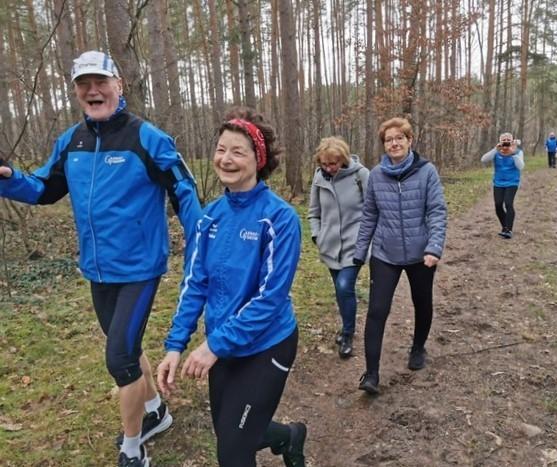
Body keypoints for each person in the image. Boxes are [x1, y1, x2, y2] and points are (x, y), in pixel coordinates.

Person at [0, 51, 201, 466]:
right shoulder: (71, 141)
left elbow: (184, 191)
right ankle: (154, 412)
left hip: (140, 268)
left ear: (118, 85)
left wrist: (202, 247)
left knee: (120, 359)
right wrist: (9, 179)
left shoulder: (147, 138)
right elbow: (44, 189)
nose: (93, 91)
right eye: (83, 84)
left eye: (100, 82)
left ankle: (133, 447)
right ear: (76, 91)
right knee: (125, 344)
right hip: (97, 268)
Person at [157, 107, 307, 467]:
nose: (226, 159)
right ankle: (289, 437)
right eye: (221, 149)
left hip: (267, 344)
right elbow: (195, 284)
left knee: (233, 453)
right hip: (224, 346)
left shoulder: (280, 218)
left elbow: (270, 299)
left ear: (258, 160)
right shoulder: (210, 217)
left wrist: (212, 346)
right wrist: (175, 345)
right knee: (233, 434)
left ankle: (281, 437)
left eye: (238, 152)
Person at [353, 117, 447, 395]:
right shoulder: (376, 175)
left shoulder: (427, 171)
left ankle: (418, 348)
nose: (394, 143)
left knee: (422, 303)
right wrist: (360, 252)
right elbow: (369, 215)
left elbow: (437, 211)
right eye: (388, 140)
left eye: (399, 138)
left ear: (409, 141)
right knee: (377, 310)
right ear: (384, 145)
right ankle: (371, 374)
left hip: (421, 254)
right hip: (385, 253)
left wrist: (434, 247)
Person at [308, 137, 369, 359]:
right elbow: (313, 212)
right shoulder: (319, 178)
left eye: (333, 163)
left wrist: (367, 239)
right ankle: (346, 326)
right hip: (330, 245)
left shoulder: (361, 175)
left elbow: (373, 210)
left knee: (344, 286)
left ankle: (348, 334)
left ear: (342, 159)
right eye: (324, 164)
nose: (329, 168)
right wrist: (317, 235)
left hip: (355, 244)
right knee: (340, 290)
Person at [481, 132, 525, 239]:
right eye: (503, 140)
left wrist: (513, 153)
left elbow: (520, 166)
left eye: (508, 140)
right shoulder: (496, 152)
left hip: (512, 182)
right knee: (498, 205)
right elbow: (483, 159)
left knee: (508, 203)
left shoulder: (518, 152)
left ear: (512, 141)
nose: (506, 142)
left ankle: (509, 230)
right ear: (500, 141)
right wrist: (495, 149)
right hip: (498, 182)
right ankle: (505, 226)